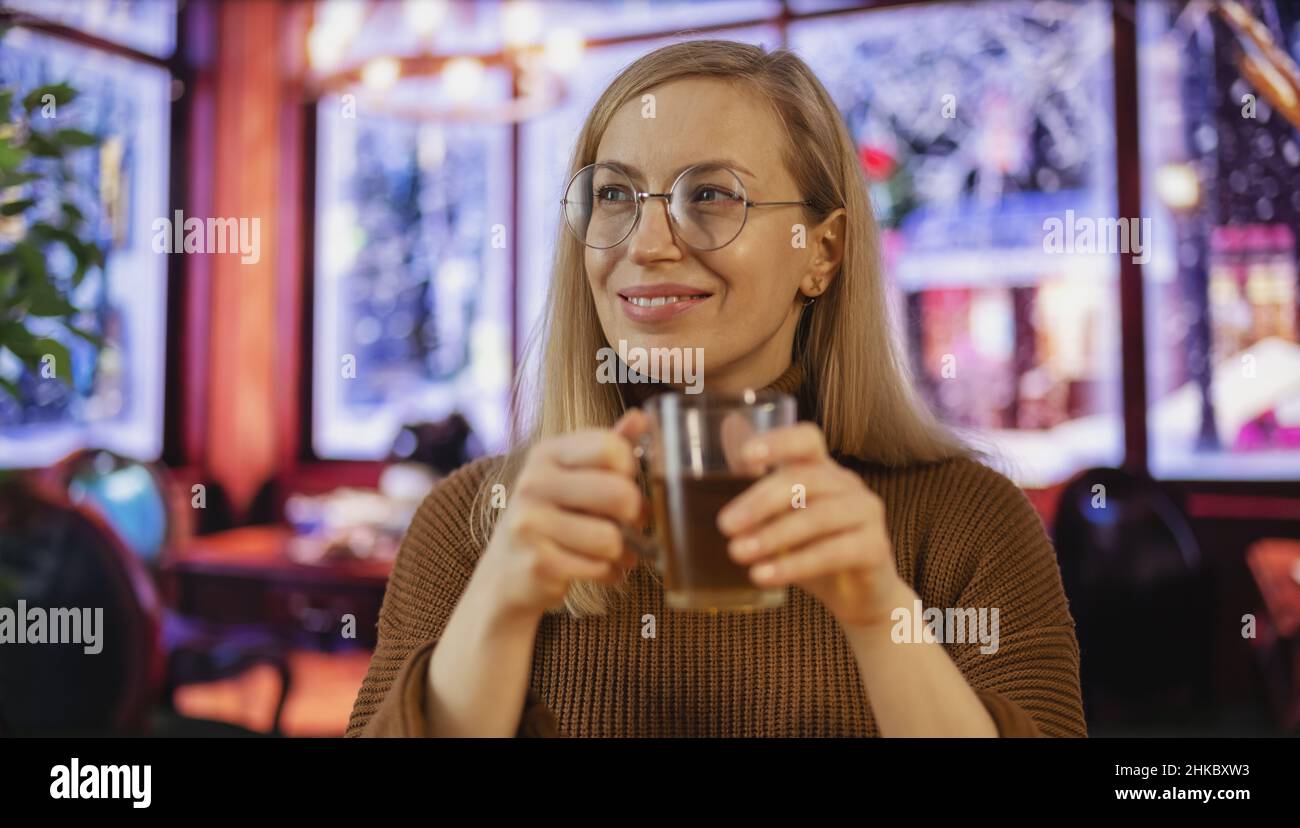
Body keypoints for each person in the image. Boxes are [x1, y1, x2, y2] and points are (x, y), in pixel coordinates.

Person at [346, 39, 1086, 737]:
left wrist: (880, 615)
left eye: (710, 194)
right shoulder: (470, 525)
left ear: (822, 252)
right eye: (614, 195)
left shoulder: (968, 523)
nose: (647, 243)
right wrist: (498, 613)